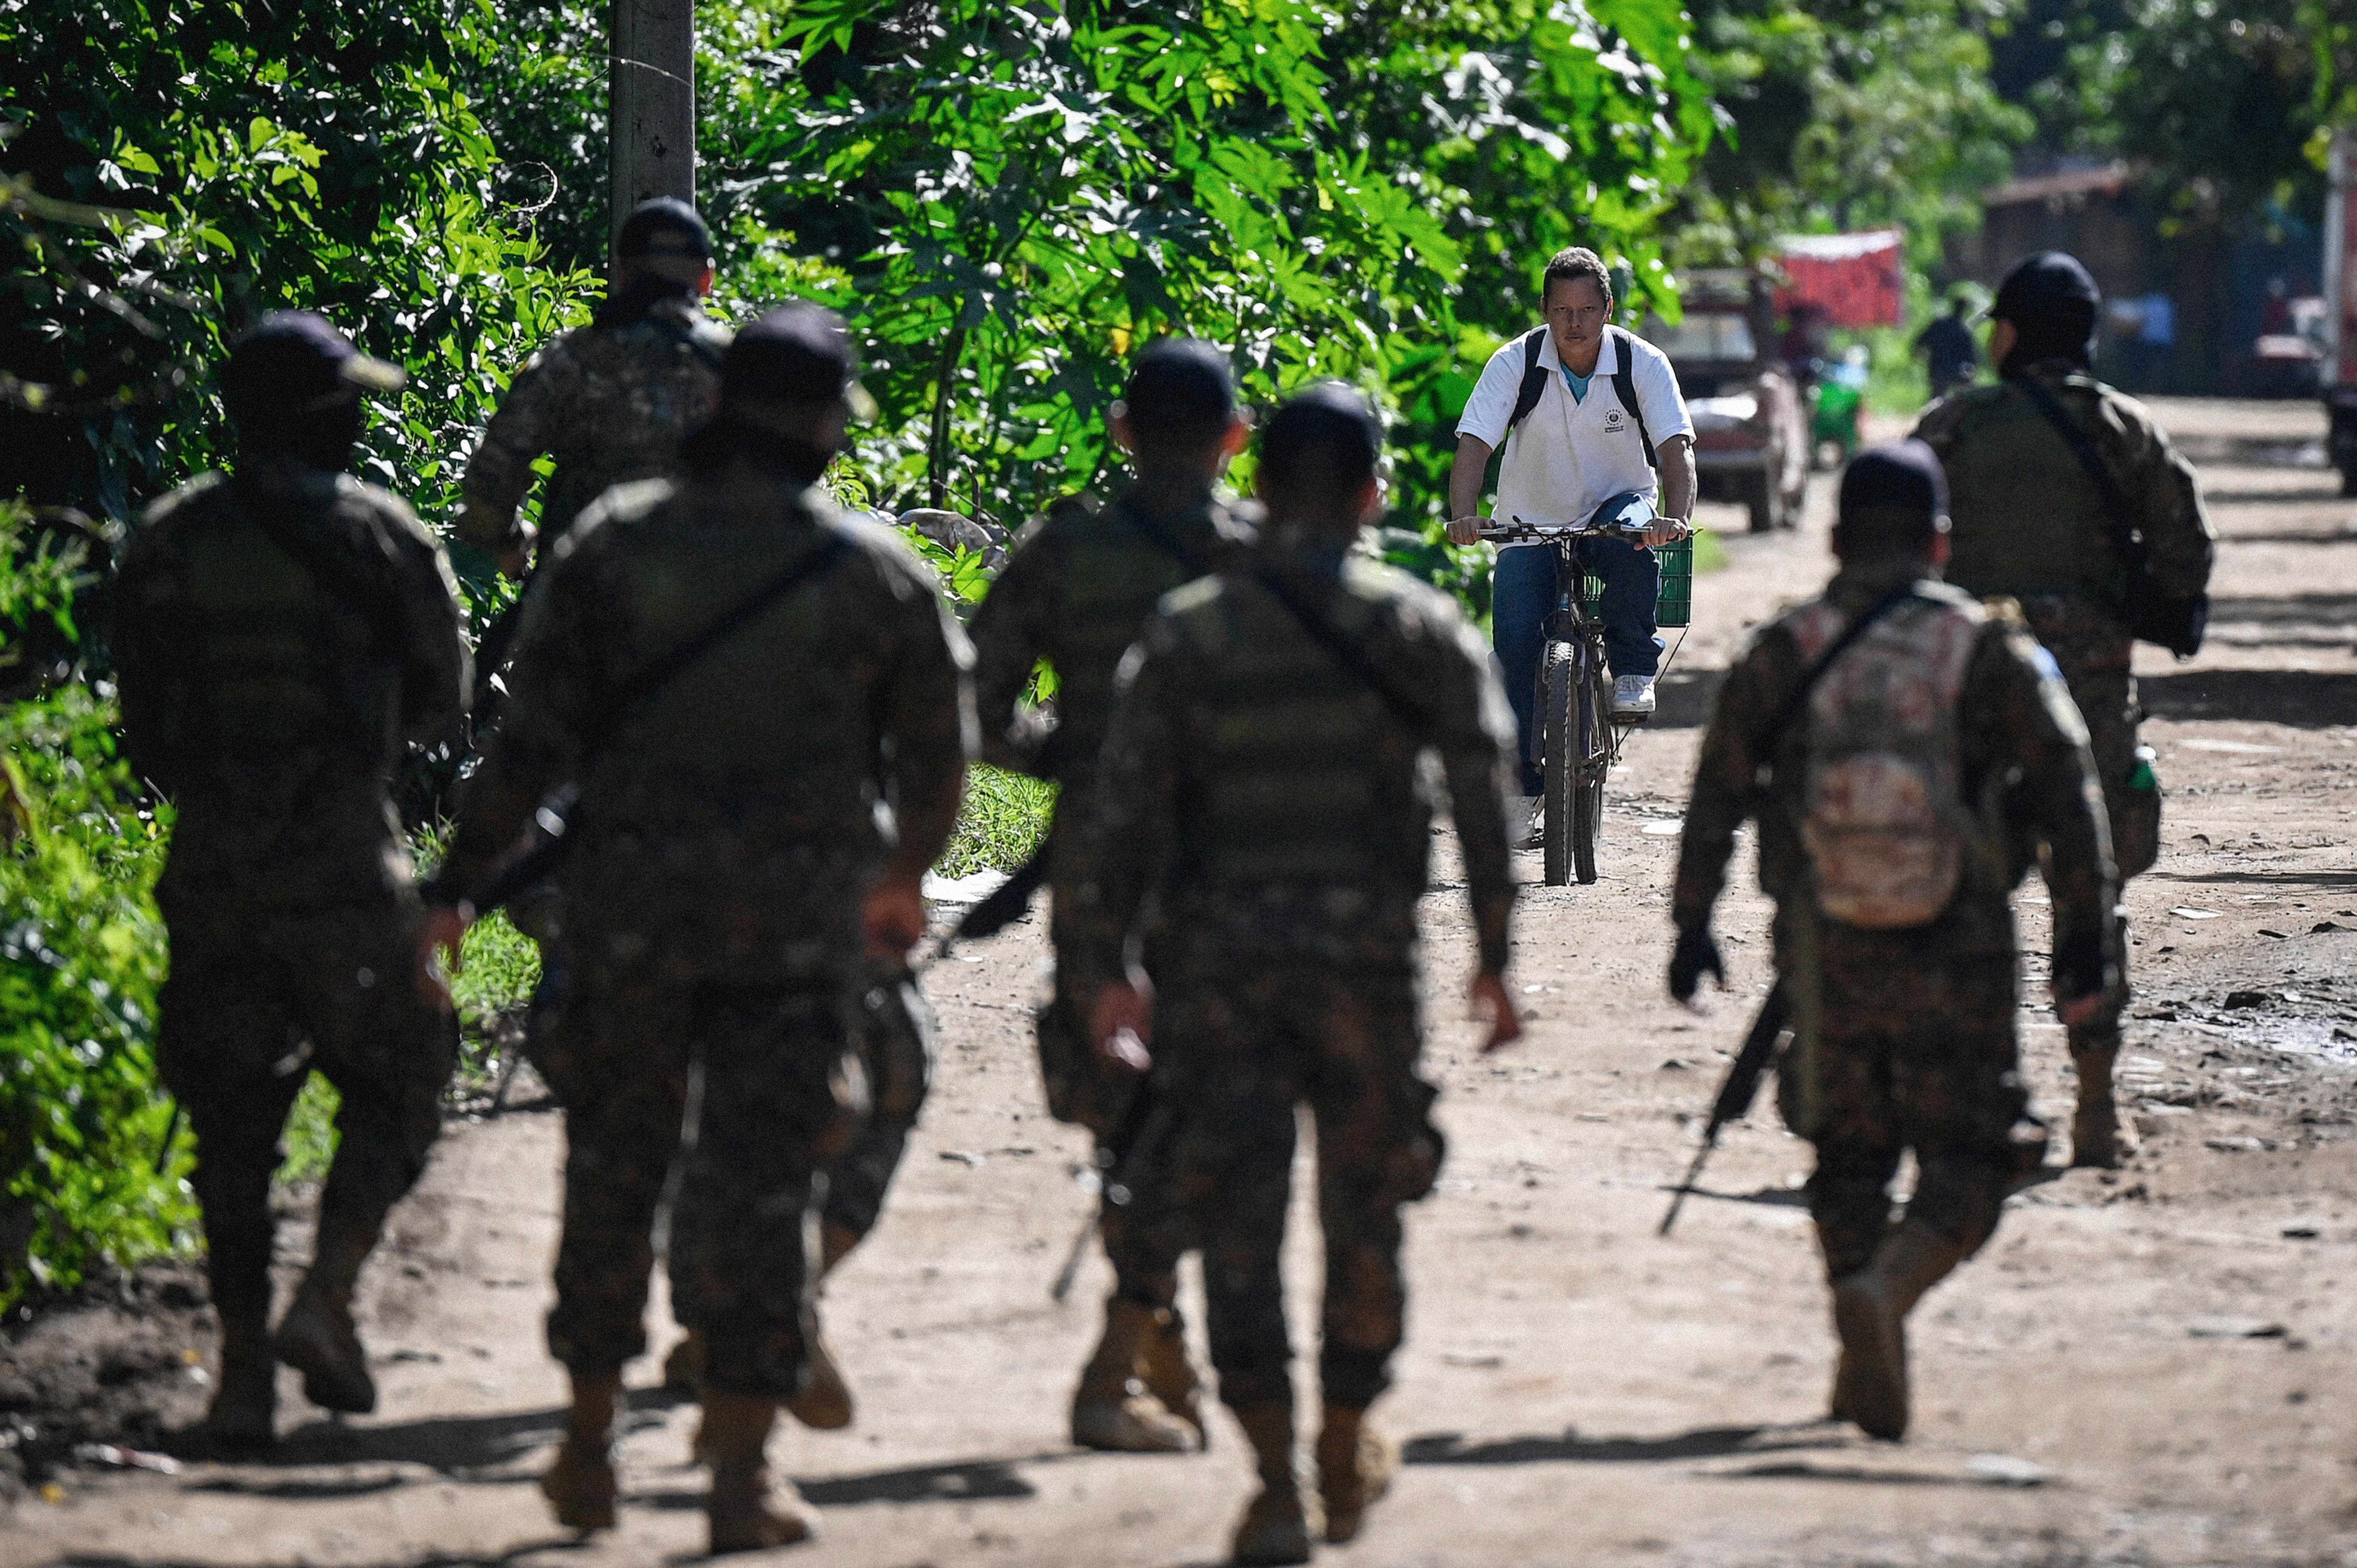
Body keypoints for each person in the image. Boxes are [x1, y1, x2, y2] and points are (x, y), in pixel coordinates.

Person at [421, 305, 972, 1551]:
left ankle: (585, 1441)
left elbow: (527, 746)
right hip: (795, 935)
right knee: (767, 1189)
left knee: (613, 1172)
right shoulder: (874, 574)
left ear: (716, 407)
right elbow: (940, 762)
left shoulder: (615, 549)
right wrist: (900, 883)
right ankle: (739, 1474)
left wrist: (459, 883)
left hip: (628, 924)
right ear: (829, 427)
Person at [1067, 385, 1522, 1563]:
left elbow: (1121, 817)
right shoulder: (1415, 625)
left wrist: (1111, 967)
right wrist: (1495, 957)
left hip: (1219, 973)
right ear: (1375, 495)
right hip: (1366, 971)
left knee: (1239, 1224)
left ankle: (1272, 1478)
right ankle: (1347, 1430)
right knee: (1366, 1214)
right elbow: (1483, 791)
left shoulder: (1189, 629)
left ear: (1257, 491)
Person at [1668, 441, 2120, 1443]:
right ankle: (1894, 1287)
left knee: (1849, 1153)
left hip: (1826, 949)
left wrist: (1692, 923)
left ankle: (1857, 1329)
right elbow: (2069, 795)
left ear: (1833, 539)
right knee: (1977, 1150)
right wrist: (2083, 936)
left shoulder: (1784, 649)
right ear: (1941, 541)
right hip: (1959, 944)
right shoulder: (1985, 651)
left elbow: (1716, 793)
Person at [111, 313, 470, 1445]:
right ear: (332, 417)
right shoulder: (382, 537)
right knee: (409, 1069)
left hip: (213, 867)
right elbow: (443, 697)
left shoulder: (170, 539)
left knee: (230, 1122)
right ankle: (329, 1293)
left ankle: (240, 1378)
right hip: (348, 870)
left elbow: (144, 724)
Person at [965, 338, 1256, 1455]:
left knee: (1125, 1098)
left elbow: (977, 703)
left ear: (1124, 433)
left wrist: (1073, 762)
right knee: (1209, 1100)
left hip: (1095, 859)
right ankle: (1133, 1342)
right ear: (1236, 441)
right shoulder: (1264, 560)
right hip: (1228, 861)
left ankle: (1146, 1326)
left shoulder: (1062, 554)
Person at [1912, 252, 2215, 1168]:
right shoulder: (2124, 428)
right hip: (2089, 703)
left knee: (1964, 898)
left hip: (1972, 696)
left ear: (2009, 331)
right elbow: (2185, 554)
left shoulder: (1955, 424)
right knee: (2093, 893)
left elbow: (1893, 547)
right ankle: (2095, 1107)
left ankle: (1972, 1100)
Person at [1447, 246, 1696, 837]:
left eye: (1587, 309)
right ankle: (1522, 788)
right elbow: (1474, 446)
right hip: (1529, 521)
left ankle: (1633, 669)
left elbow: (1676, 451)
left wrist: (1676, 518)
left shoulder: (1644, 364)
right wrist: (1464, 514)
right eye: (1562, 311)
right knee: (1513, 647)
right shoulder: (1517, 364)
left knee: (1636, 538)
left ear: (1608, 308)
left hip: (1614, 510)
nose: (1575, 323)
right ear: (1545, 310)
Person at [451, 196, 731, 581]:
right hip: (712, 610)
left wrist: (509, 543)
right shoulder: (741, 369)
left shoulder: (568, 360)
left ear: (621, 274)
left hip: (582, 605)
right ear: (706, 279)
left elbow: (490, 483)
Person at [1913, 294, 1979, 400]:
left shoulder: (1939, 324)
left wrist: (1920, 355)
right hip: (1957, 372)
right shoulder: (1964, 331)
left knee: (1936, 400)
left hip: (1938, 370)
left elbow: (1921, 342)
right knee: (1969, 398)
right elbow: (1971, 357)